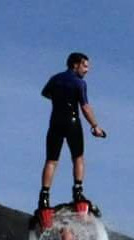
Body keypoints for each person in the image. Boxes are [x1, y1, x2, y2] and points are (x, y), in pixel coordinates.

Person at [38, 52, 106, 210]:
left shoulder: (55, 78)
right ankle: (77, 191)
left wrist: (58, 99)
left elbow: (45, 93)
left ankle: (44, 196)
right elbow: (85, 107)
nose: (87, 70)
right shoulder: (79, 83)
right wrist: (95, 125)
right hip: (72, 122)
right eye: (85, 66)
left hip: (55, 122)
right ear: (75, 64)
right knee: (78, 157)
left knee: (51, 160)